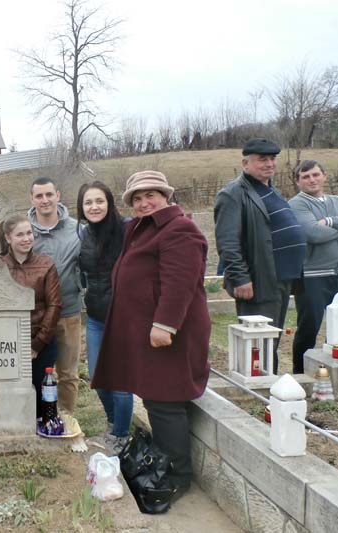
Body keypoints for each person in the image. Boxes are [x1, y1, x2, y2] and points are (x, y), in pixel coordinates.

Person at [93, 171, 210, 502]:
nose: (144, 203)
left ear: (165, 196)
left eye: (151, 195)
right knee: (156, 397)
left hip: (170, 333)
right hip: (148, 332)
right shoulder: (141, 229)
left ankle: (177, 477)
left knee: (165, 399)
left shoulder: (180, 229)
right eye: (137, 198)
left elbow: (179, 282)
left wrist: (166, 325)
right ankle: (162, 465)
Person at [214, 138, 306, 371]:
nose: (269, 164)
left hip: (281, 277)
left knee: (271, 338)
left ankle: (269, 381)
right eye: (262, 159)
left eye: (272, 159)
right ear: (245, 164)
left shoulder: (269, 190)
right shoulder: (233, 194)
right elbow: (227, 242)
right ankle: (258, 385)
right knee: (258, 342)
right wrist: (240, 277)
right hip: (258, 279)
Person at [288, 160, 338, 373]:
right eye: (305, 177)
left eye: (315, 175)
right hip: (312, 276)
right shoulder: (297, 204)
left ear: (324, 176)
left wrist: (330, 221)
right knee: (309, 328)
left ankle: (337, 370)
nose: (312, 180)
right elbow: (313, 233)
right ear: (298, 182)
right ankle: (300, 373)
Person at [76, 181, 133, 455]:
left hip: (123, 317)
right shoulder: (84, 234)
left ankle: (121, 435)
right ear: (81, 207)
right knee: (97, 377)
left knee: (120, 382)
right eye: (88, 202)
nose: (94, 207)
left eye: (99, 201)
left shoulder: (127, 230)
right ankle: (113, 424)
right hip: (96, 317)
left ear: (109, 203)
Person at [0, 214, 62, 418]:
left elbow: (54, 305)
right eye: (20, 235)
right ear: (8, 238)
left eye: (29, 233)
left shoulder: (46, 264)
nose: (26, 238)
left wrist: (37, 344)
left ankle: (44, 425)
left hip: (41, 340)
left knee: (43, 391)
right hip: (8, 342)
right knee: (12, 395)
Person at [27, 177, 81, 414]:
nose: (45, 200)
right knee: (36, 371)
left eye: (49, 194)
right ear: (32, 199)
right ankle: (40, 417)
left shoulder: (77, 230)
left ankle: (66, 418)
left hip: (68, 311)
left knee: (67, 373)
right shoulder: (24, 231)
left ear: (58, 195)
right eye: (39, 196)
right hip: (36, 317)